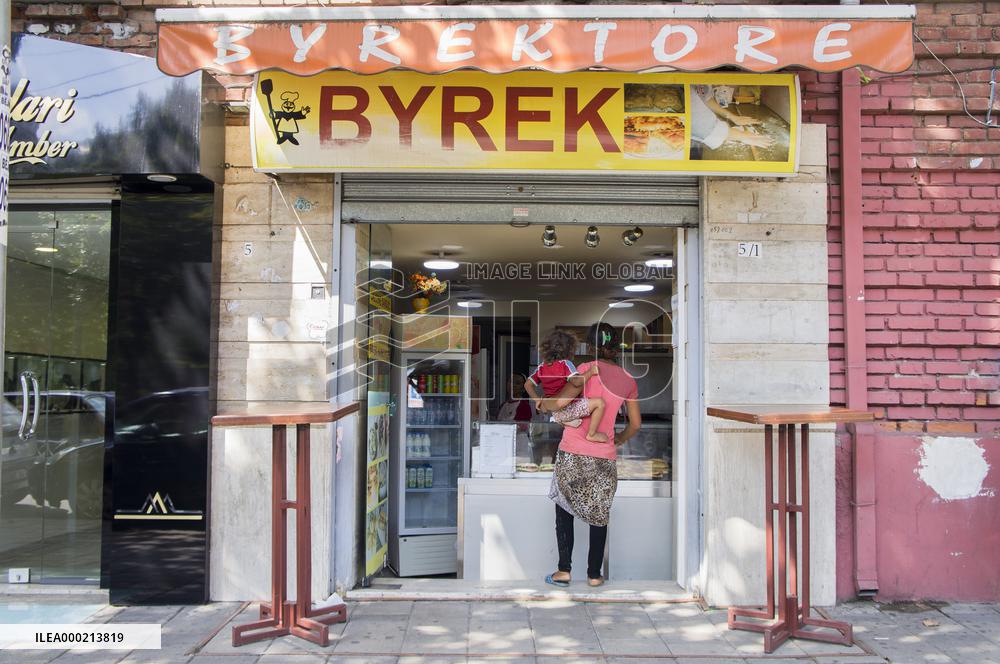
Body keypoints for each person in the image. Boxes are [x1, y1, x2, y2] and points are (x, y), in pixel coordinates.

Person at [545, 323, 641, 588]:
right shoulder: (628, 380)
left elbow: (560, 404)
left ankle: (564, 571)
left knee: (564, 508)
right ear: (617, 347)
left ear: (590, 346)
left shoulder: (585, 371)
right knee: (599, 513)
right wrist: (617, 439)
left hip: (573, 452)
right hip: (604, 455)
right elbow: (634, 424)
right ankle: (594, 574)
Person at [525, 329, 608, 444]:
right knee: (600, 403)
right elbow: (577, 382)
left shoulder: (541, 367)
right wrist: (591, 372)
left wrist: (537, 400)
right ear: (569, 349)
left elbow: (527, 385)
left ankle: (565, 420)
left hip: (554, 412)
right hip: (569, 409)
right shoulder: (565, 364)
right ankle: (592, 434)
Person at [690, 84, 773, 150]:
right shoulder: (684, 70)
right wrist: (742, 135)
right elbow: (700, 124)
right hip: (683, 141)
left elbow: (705, 96)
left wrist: (732, 117)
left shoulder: (700, 72)